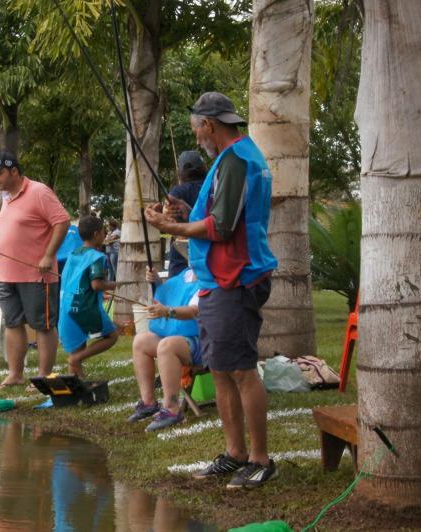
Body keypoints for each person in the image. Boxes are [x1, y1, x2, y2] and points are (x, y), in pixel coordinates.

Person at [143, 91, 278, 488]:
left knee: (240, 370)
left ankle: (259, 458)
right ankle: (235, 453)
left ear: (210, 125)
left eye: (197, 128)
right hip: (219, 279)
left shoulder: (237, 159)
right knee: (220, 368)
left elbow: (222, 226)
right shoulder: (233, 157)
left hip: (234, 278)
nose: (197, 136)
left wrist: (172, 229)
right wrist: (186, 215)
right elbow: (220, 212)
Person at [0, 151, 70, 390]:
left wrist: (48, 255)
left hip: (36, 274)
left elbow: (61, 221)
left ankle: (43, 375)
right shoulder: (6, 198)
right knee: (12, 323)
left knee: (42, 325)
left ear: (14, 171)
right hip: (7, 274)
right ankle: (15, 374)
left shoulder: (38, 191)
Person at [127, 267, 201, 432]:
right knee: (141, 341)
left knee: (166, 346)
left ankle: (172, 410)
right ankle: (148, 403)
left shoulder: (209, 278)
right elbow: (168, 292)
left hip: (202, 342)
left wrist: (167, 311)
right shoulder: (186, 274)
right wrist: (156, 281)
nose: (190, 250)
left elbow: (194, 311)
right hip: (175, 336)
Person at [58, 216, 118, 377]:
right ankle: (77, 359)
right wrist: (118, 284)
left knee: (78, 344)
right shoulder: (96, 257)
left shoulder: (73, 254)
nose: (105, 234)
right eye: (104, 232)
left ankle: (77, 385)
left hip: (68, 305)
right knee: (111, 336)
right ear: (97, 234)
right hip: (86, 306)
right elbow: (97, 285)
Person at [166, 151, 207, 277]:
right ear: (203, 168)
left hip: (180, 259)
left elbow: (166, 216)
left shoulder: (177, 191)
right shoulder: (212, 187)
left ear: (181, 172)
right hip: (206, 253)